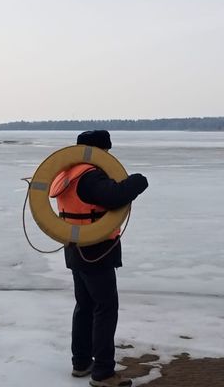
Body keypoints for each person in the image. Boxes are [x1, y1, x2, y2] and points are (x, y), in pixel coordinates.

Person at [49, 130, 148, 387]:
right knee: (105, 308)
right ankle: (103, 373)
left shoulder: (68, 174)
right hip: (95, 250)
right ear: (100, 151)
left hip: (75, 247)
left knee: (85, 306)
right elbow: (114, 196)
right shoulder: (91, 176)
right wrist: (138, 181)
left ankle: (81, 362)